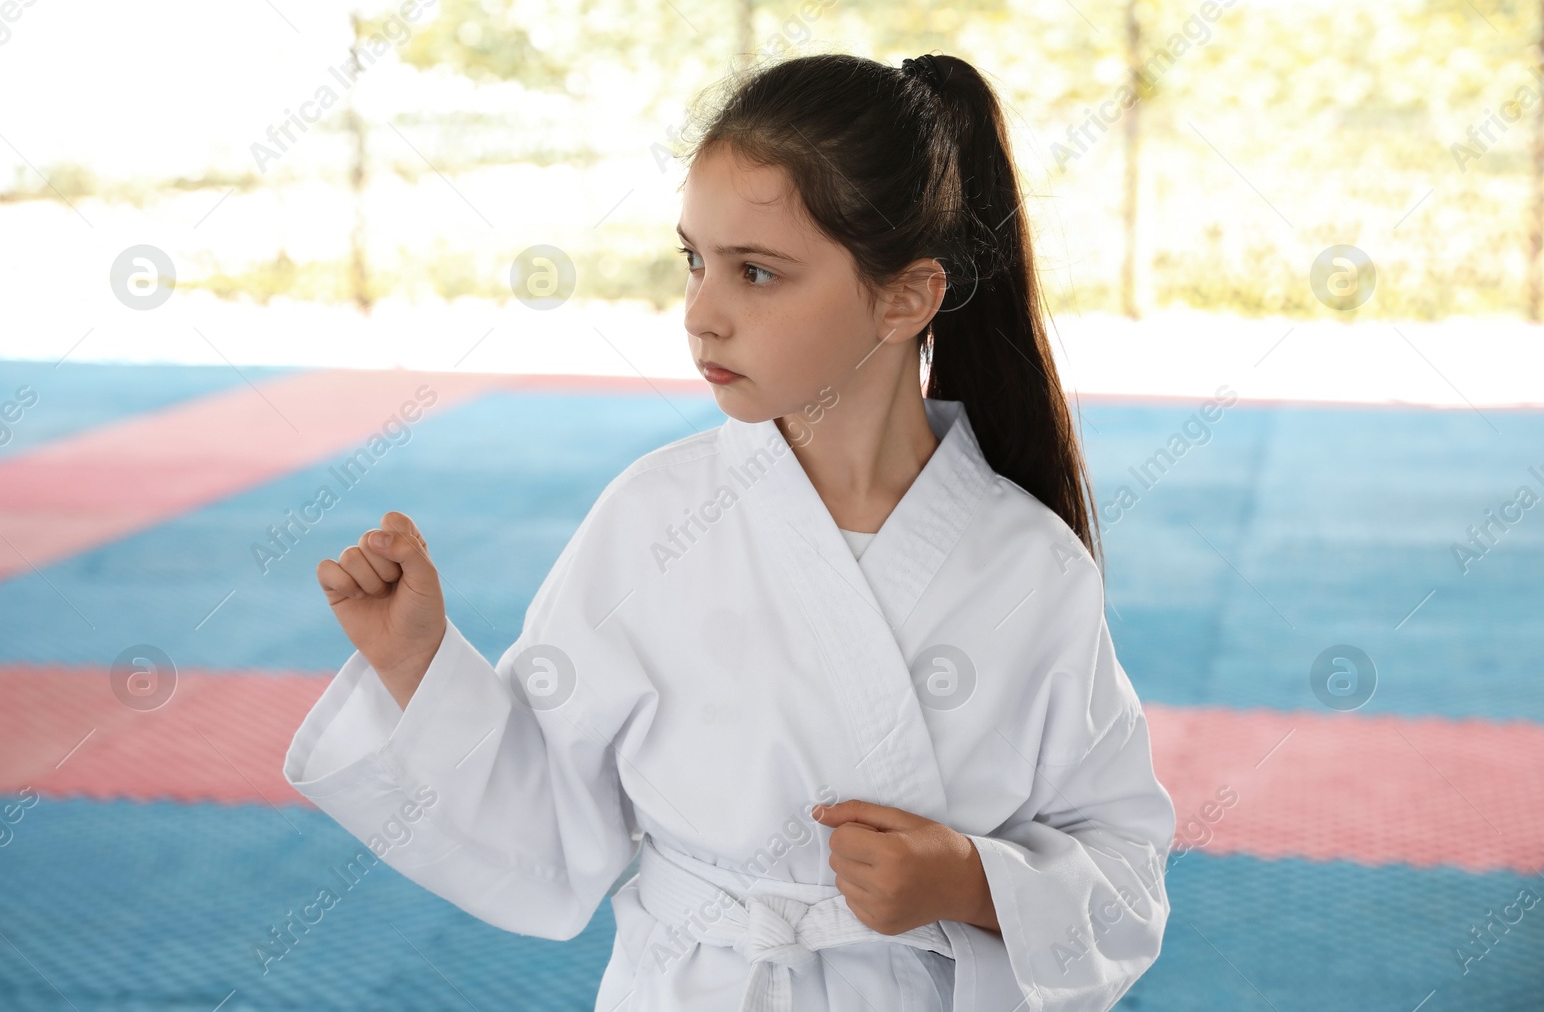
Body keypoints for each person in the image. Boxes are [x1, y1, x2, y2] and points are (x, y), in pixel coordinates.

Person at [284, 51, 1175, 1012]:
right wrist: (419, 666)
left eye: (757, 272)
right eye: (694, 261)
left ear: (907, 296)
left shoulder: (1030, 565)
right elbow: (546, 820)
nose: (702, 315)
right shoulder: (653, 519)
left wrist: (971, 880)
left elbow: (1125, 868)